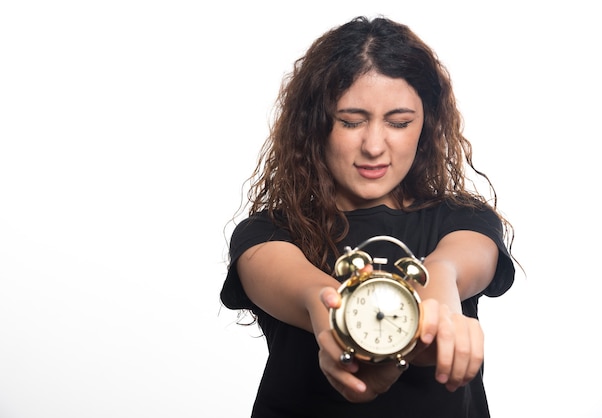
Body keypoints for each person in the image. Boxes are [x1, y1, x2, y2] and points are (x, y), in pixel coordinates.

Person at [220, 15, 516, 418]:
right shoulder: (267, 235)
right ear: (315, 125)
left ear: (425, 125)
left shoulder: (466, 221)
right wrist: (357, 345)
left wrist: (439, 304)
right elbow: (316, 296)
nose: (374, 145)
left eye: (398, 122)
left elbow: (448, 267)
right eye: (351, 121)